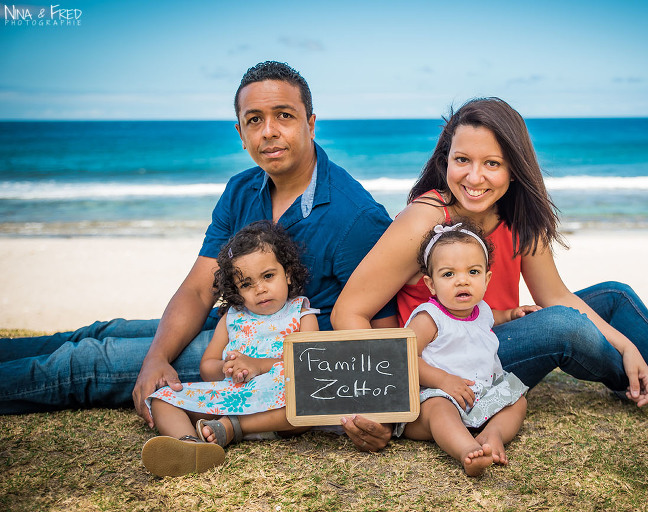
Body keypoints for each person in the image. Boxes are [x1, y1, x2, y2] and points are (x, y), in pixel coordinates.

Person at [0, 61, 396, 449]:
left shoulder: (355, 217)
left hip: (267, 358)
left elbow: (384, 334)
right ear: (240, 132)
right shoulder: (241, 189)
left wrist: (380, 416)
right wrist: (157, 356)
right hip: (233, 321)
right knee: (102, 330)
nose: (270, 132)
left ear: (310, 124)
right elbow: (198, 290)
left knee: (87, 361)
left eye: (284, 116)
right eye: (254, 120)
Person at [331, 97, 648, 438]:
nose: (474, 177)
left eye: (492, 163)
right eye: (462, 160)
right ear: (446, 159)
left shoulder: (520, 216)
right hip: (448, 358)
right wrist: (395, 393)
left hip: (495, 332)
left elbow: (554, 295)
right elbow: (348, 312)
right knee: (563, 327)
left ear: (514, 169)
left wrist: (627, 344)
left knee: (613, 296)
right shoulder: (426, 219)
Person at [142, 221, 316, 477]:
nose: (260, 289)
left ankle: (234, 427)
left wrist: (258, 366)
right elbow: (207, 365)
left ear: (288, 273)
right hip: (233, 396)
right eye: (246, 284)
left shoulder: (301, 313)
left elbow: (311, 364)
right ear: (236, 290)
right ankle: (190, 445)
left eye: (268, 276)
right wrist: (227, 368)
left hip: (278, 405)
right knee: (162, 399)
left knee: (309, 401)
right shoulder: (232, 317)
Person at [403, 220, 527, 476]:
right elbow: (402, 355)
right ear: (431, 284)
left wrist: (511, 314)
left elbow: (493, 316)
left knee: (517, 400)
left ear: (486, 278)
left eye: (472, 272)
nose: (462, 281)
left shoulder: (481, 310)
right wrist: (443, 380)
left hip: (479, 395)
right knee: (440, 411)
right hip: (436, 396)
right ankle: (467, 450)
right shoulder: (429, 318)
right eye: (449, 274)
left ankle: (493, 434)